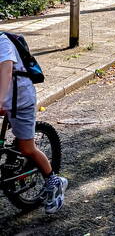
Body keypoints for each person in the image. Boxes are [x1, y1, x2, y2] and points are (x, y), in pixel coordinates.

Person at [0, 35, 67, 214]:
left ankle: (54, 181)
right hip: (4, 99)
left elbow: (6, 71)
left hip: (20, 100)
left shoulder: (2, 42)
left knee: (27, 148)